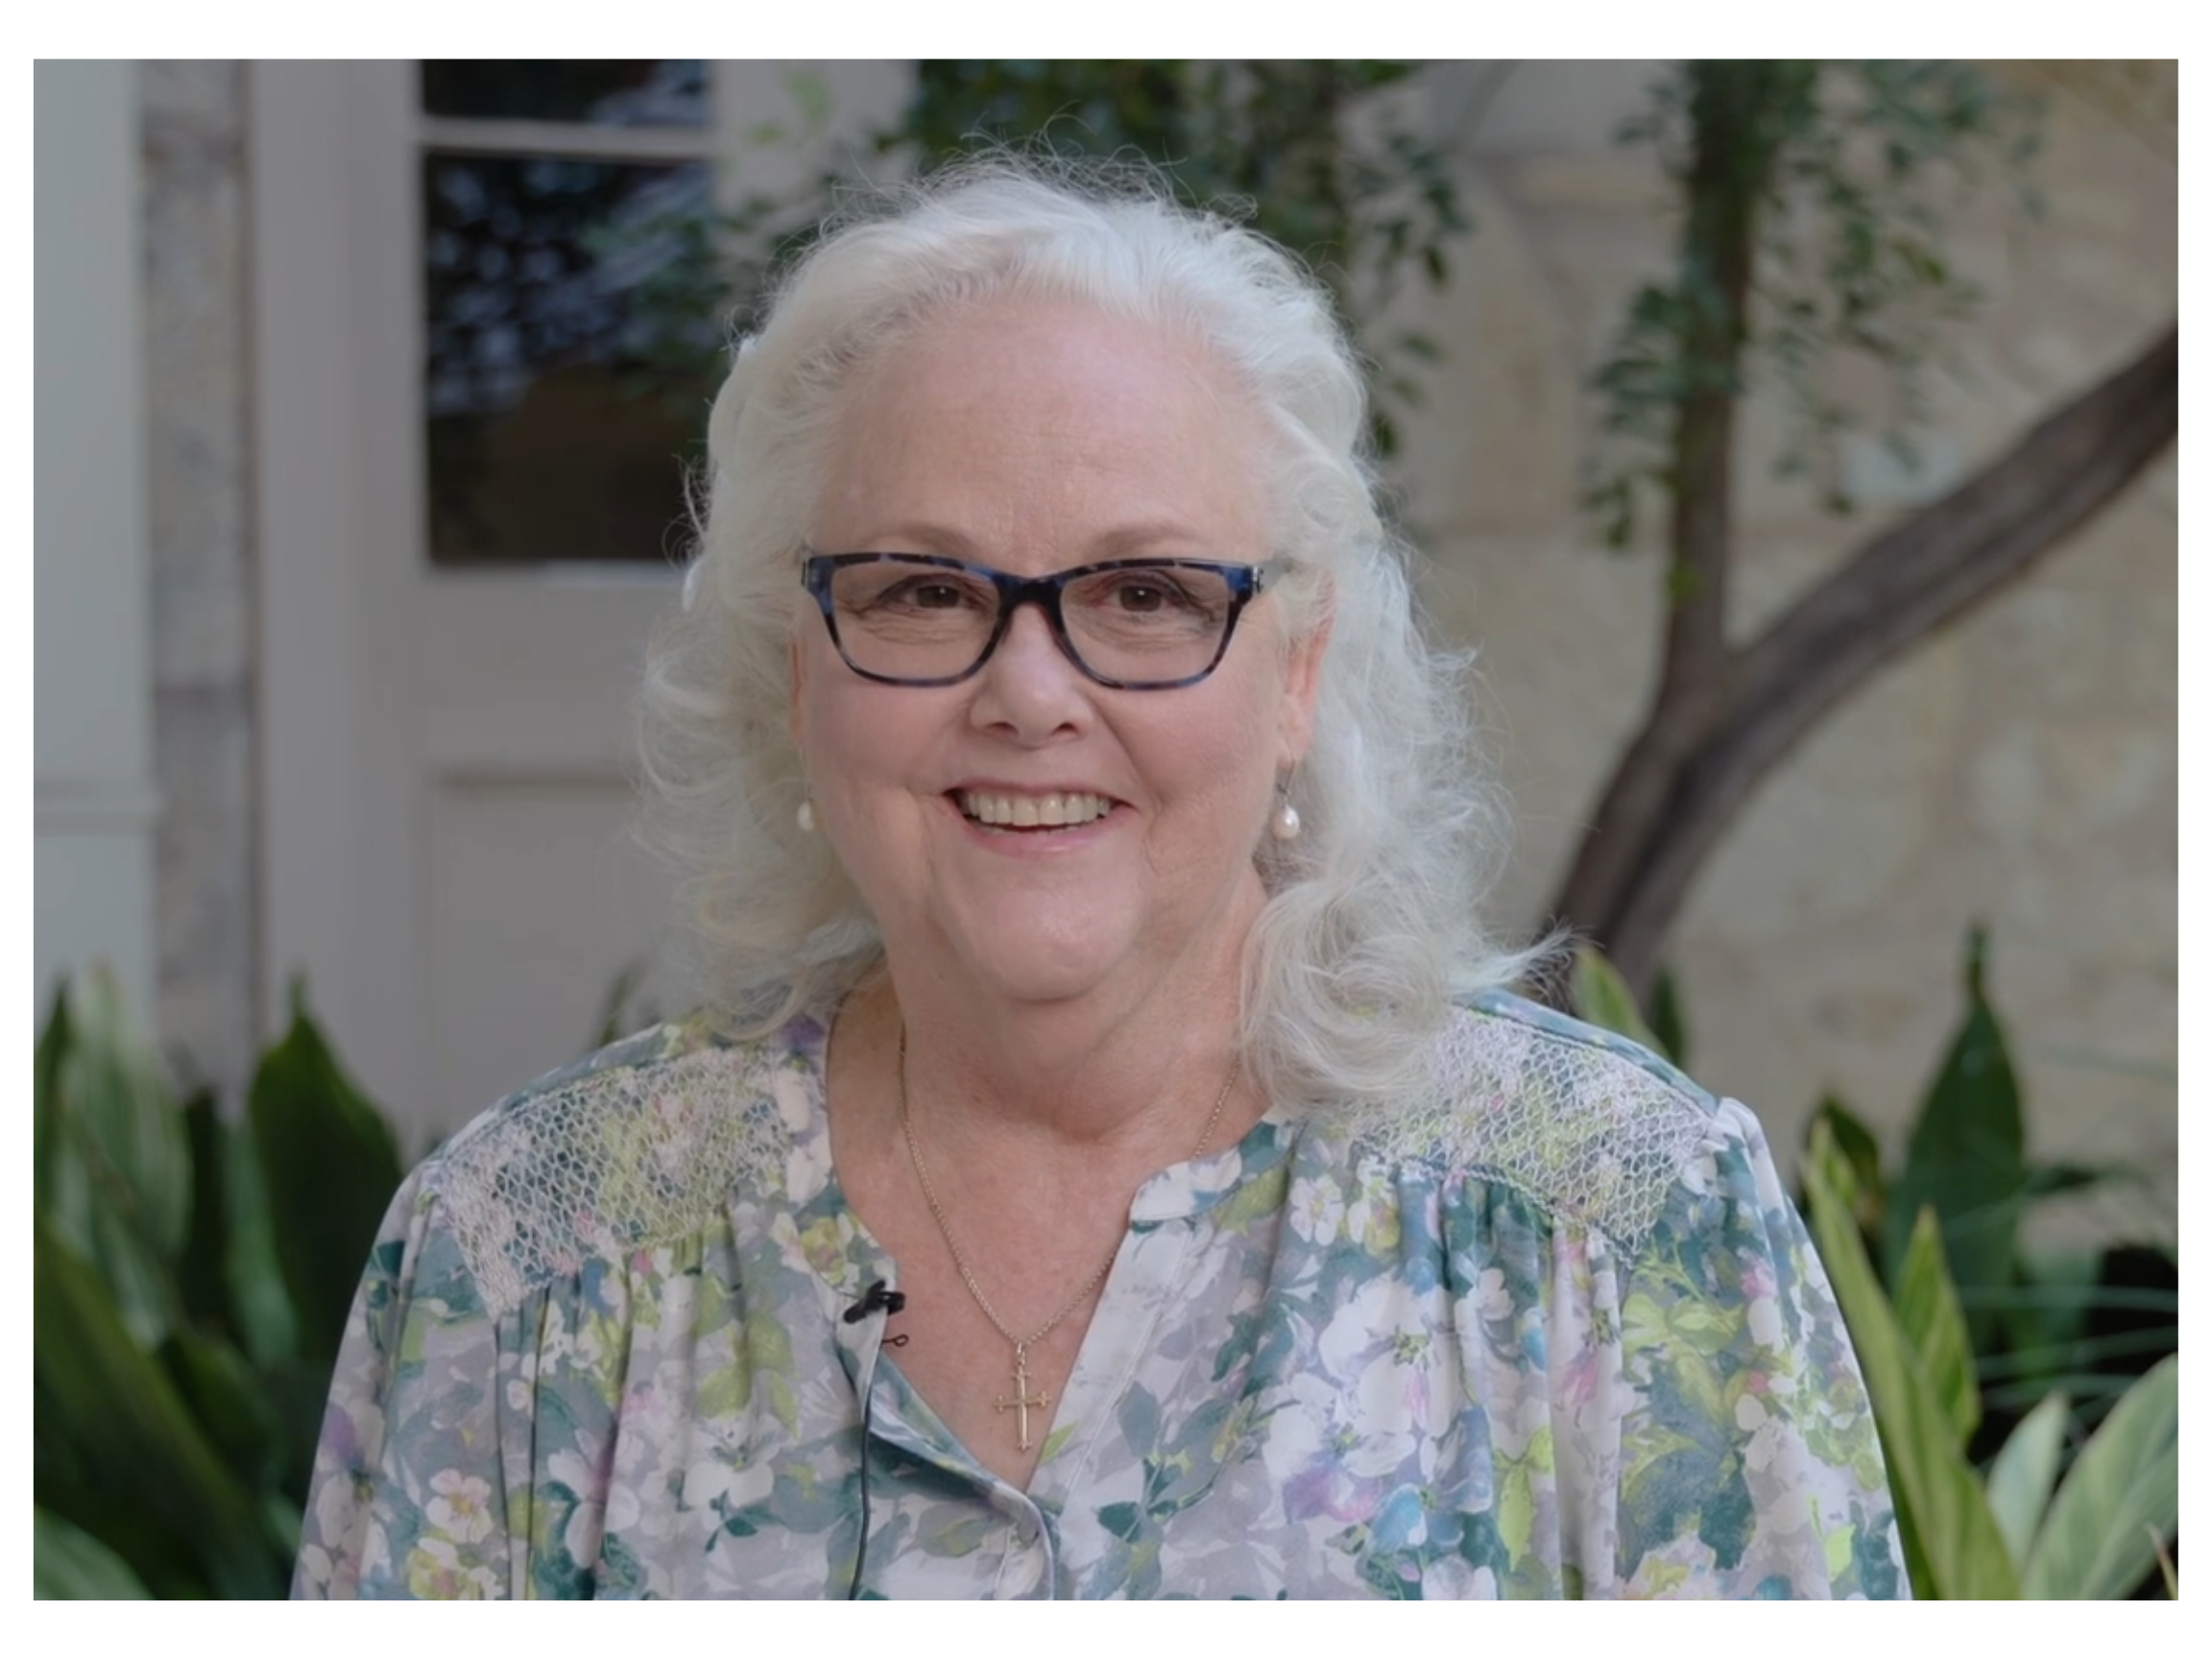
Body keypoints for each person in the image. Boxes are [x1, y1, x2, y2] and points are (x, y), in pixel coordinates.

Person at [294, 160, 1903, 1599]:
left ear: (1295, 674)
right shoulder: (527, 1265)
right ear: (802, 677)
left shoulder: (1621, 1228)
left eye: (1141, 592)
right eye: (927, 590)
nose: (1029, 691)